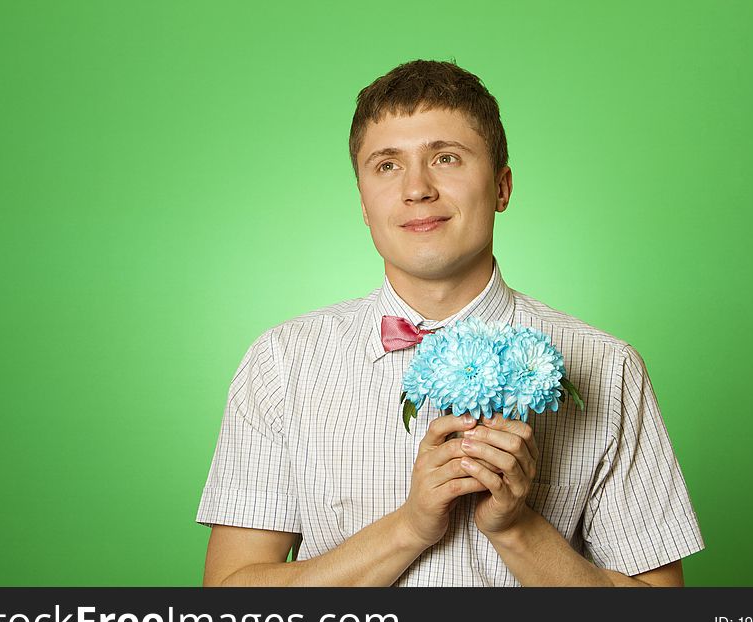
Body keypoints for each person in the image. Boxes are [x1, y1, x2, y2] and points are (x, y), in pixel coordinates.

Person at [195, 59, 705, 586]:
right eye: (387, 165)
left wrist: (516, 529)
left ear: (502, 187)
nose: (417, 188)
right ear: (364, 204)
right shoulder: (282, 363)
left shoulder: (609, 368)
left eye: (446, 158)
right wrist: (409, 528)